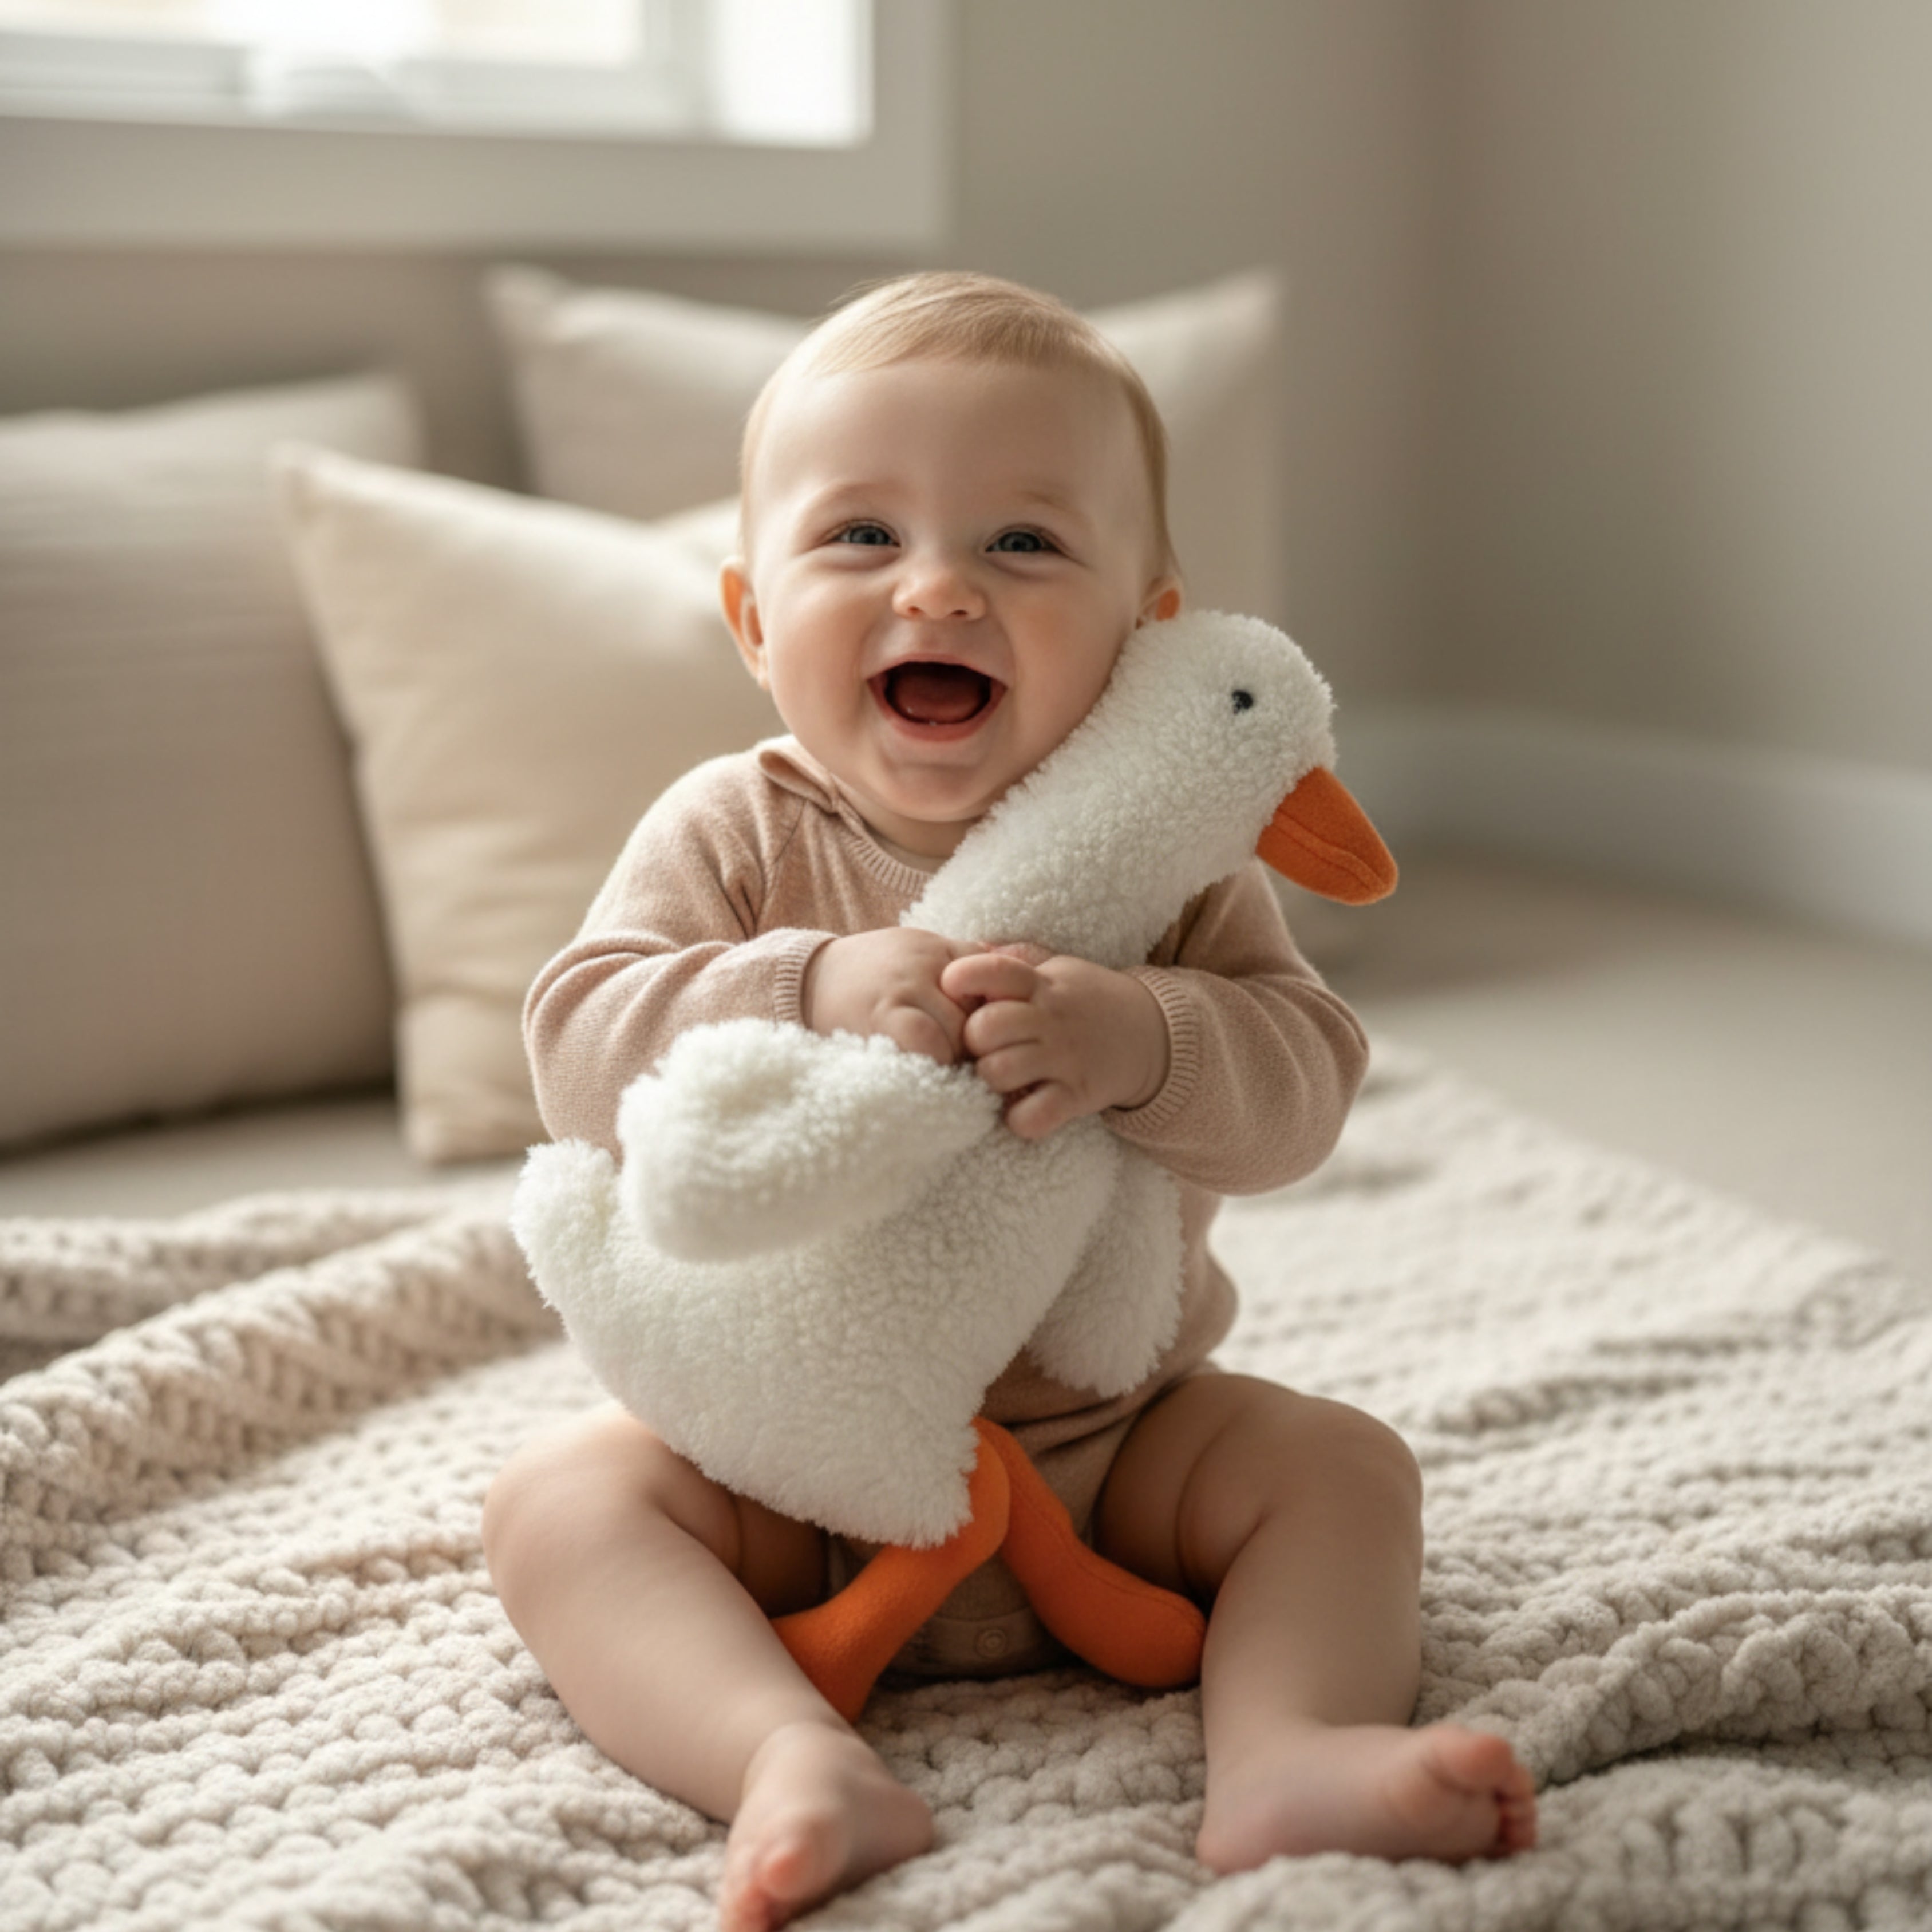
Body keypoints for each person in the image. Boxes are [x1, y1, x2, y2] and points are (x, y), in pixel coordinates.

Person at [483, 271, 1536, 1932]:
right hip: (787, 1467)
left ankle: (1283, 1755)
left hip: (1116, 1457)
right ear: (755, 622)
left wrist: (1149, 1041)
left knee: (1342, 1470)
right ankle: (780, 1759)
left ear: (1149, 627)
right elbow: (575, 1043)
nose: (941, 589)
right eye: (859, 540)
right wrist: (805, 988)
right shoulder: (735, 831)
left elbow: (1306, 1086)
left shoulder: (1171, 867)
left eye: (1025, 545)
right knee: (561, 1505)